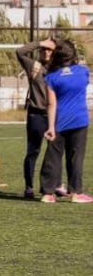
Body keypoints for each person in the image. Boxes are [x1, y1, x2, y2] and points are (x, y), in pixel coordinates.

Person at [39, 38, 91, 203]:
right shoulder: (83, 71)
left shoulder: (51, 77)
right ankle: (76, 192)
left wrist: (51, 127)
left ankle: (48, 193)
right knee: (76, 157)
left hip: (60, 121)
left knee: (53, 158)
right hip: (80, 120)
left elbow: (51, 103)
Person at [16, 38, 59, 199]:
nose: (47, 52)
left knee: (55, 151)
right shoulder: (34, 66)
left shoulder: (59, 69)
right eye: (45, 50)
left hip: (54, 115)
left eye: (51, 50)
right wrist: (40, 43)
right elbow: (19, 52)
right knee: (33, 151)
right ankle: (29, 186)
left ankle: (54, 185)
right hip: (36, 114)